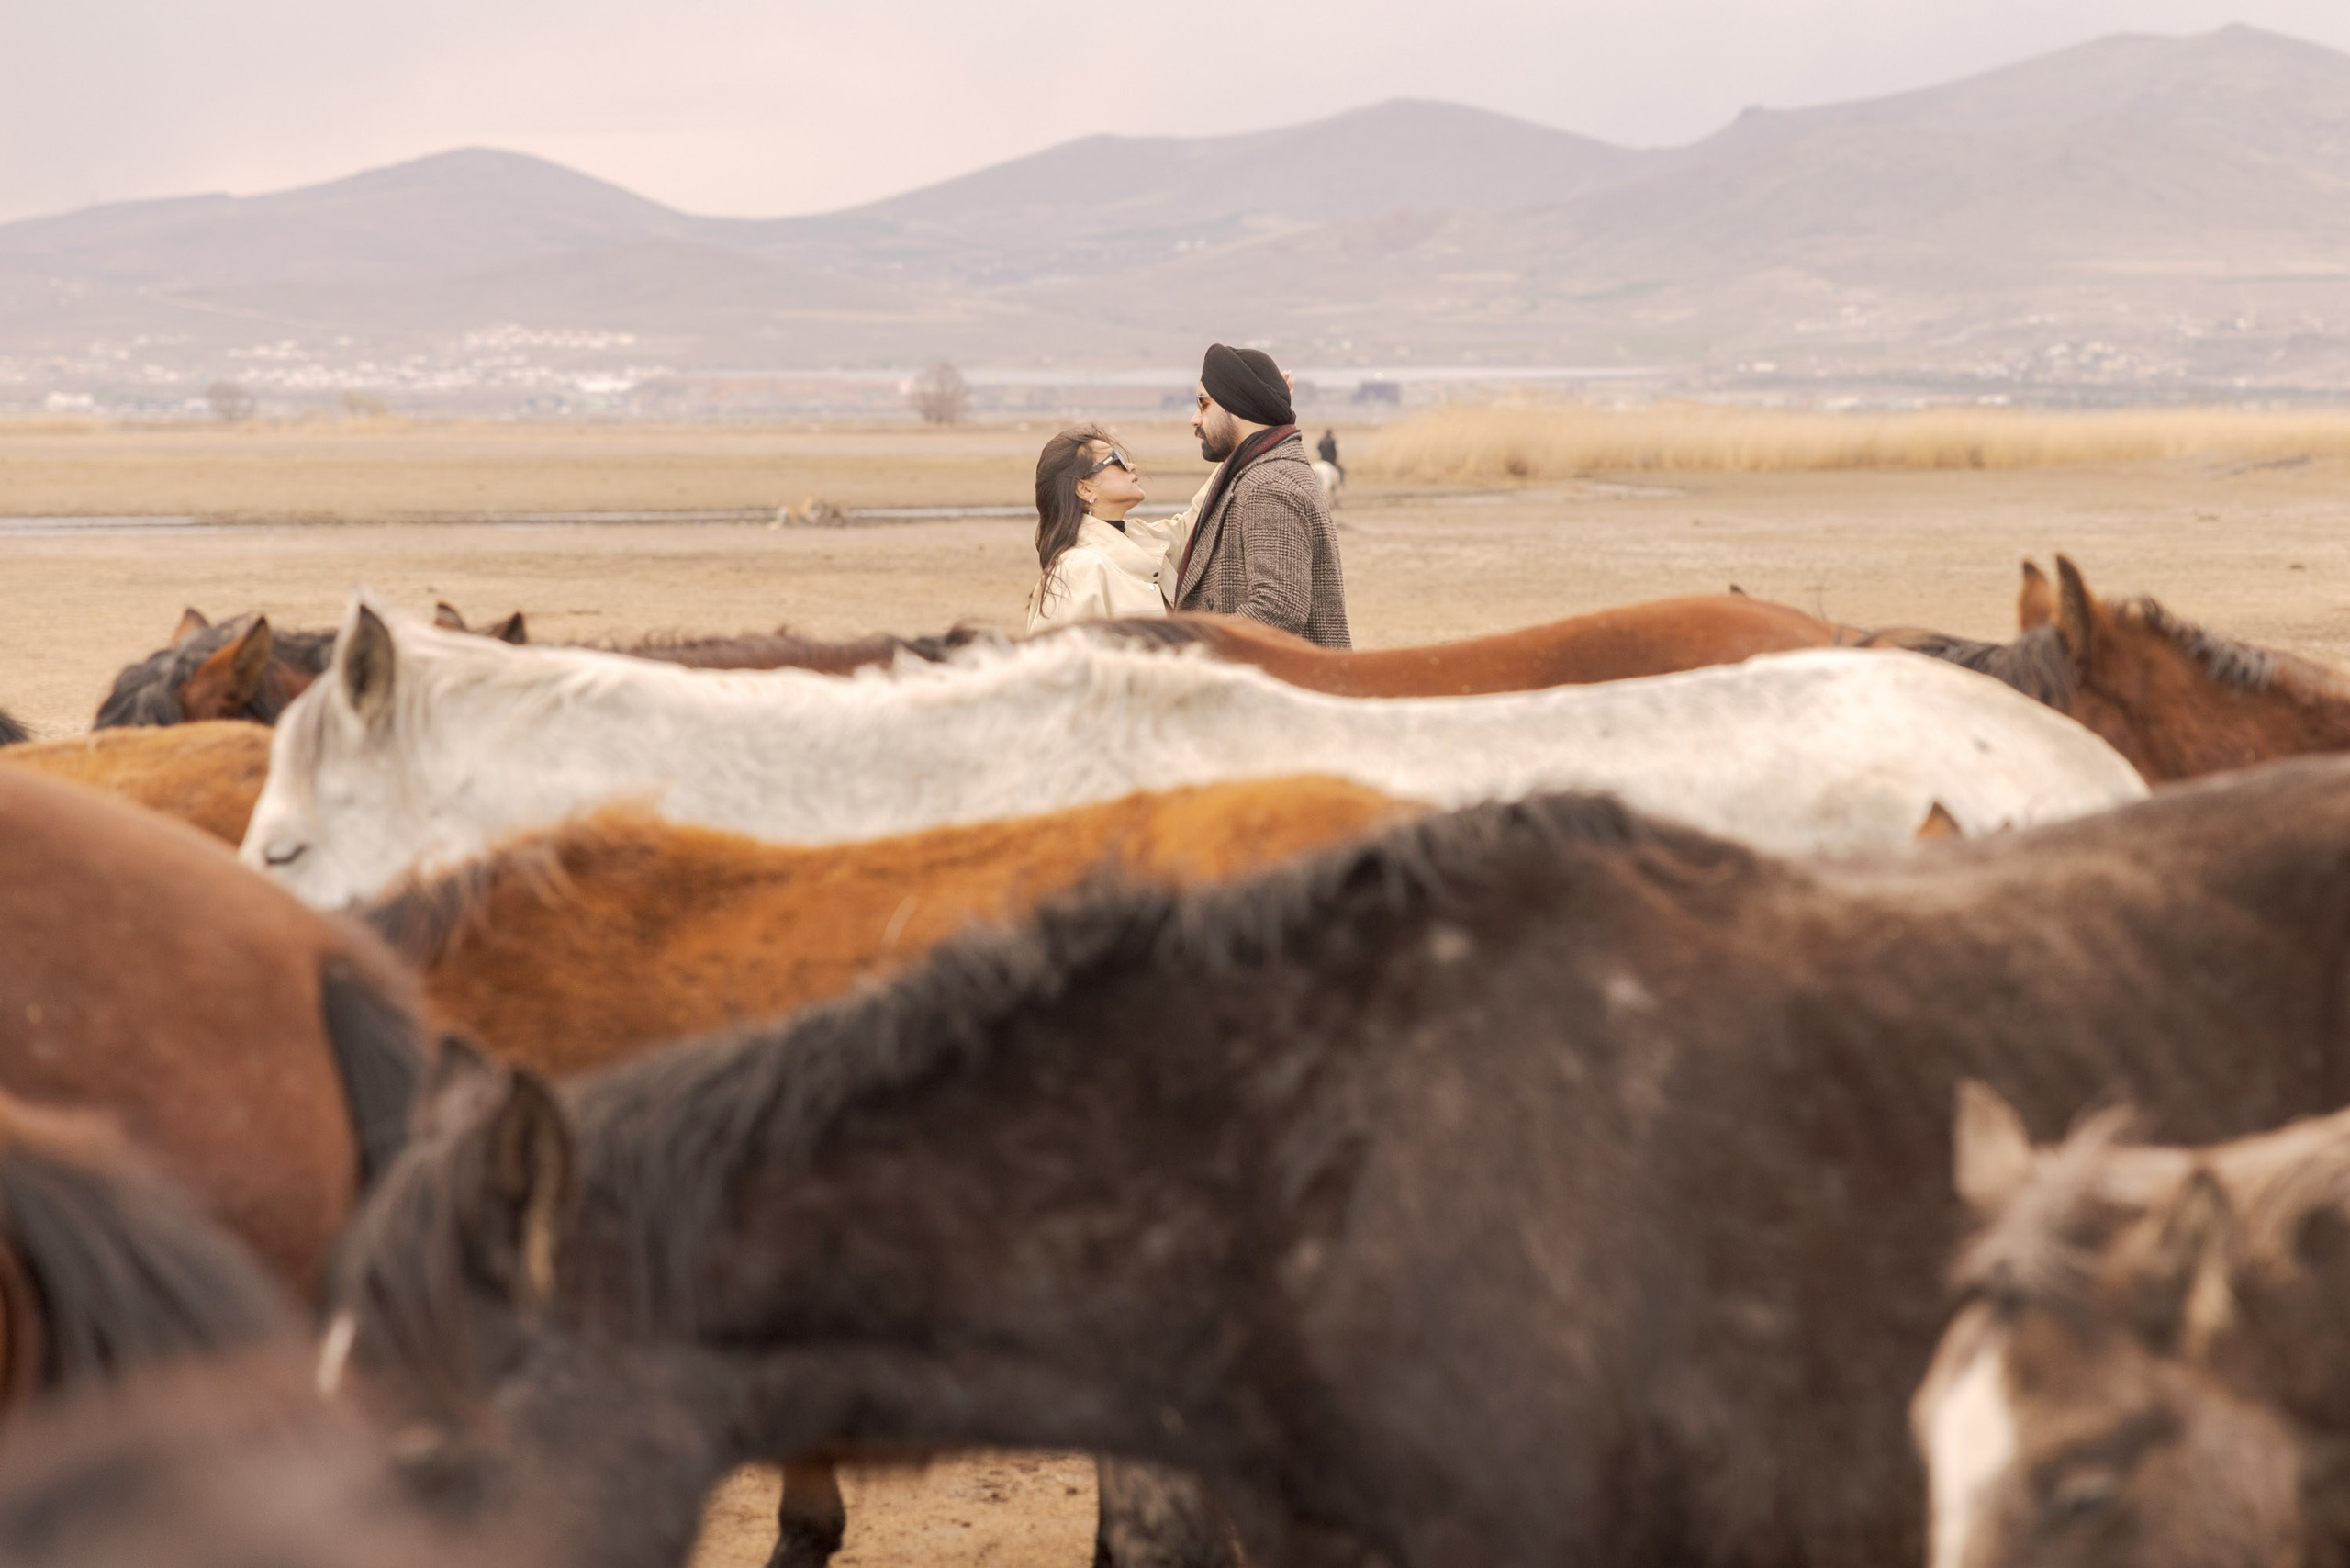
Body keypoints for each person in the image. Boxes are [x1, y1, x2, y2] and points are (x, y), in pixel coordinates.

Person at [1171, 345, 1350, 648]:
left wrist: (1193, 652)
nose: (1195, 419)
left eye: (1203, 404)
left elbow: (1278, 607)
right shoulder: (1261, 472)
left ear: (1235, 407)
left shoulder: (1268, 485)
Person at [1024, 425, 1204, 632]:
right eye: (1116, 460)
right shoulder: (1076, 568)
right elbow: (1057, 658)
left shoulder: (1140, 539)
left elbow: (1197, 519)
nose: (1131, 466)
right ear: (1085, 488)